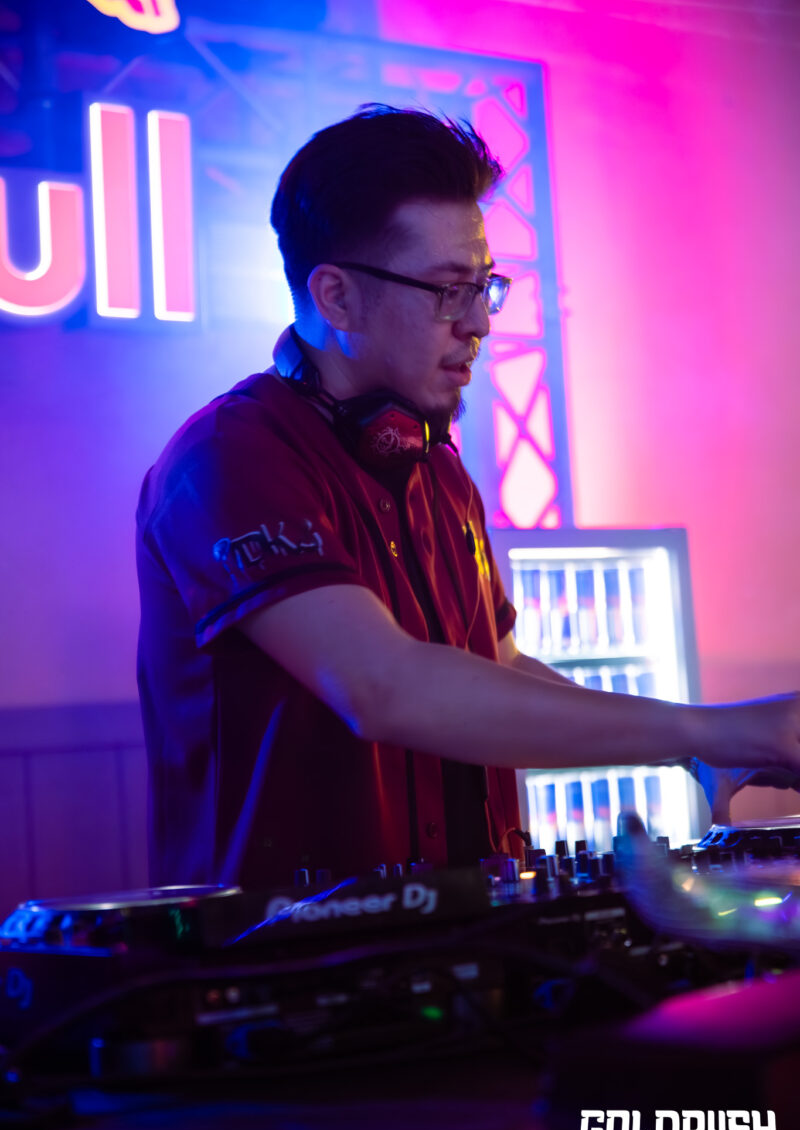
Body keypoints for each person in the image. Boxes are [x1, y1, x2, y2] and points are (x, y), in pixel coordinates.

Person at [136, 104, 800, 890]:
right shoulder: (231, 457)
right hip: (291, 952)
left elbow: (496, 665)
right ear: (337, 298)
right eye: (450, 291)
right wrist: (720, 727)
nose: (481, 322)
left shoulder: (441, 472)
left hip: (466, 937)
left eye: (485, 287)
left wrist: (694, 747)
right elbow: (383, 686)